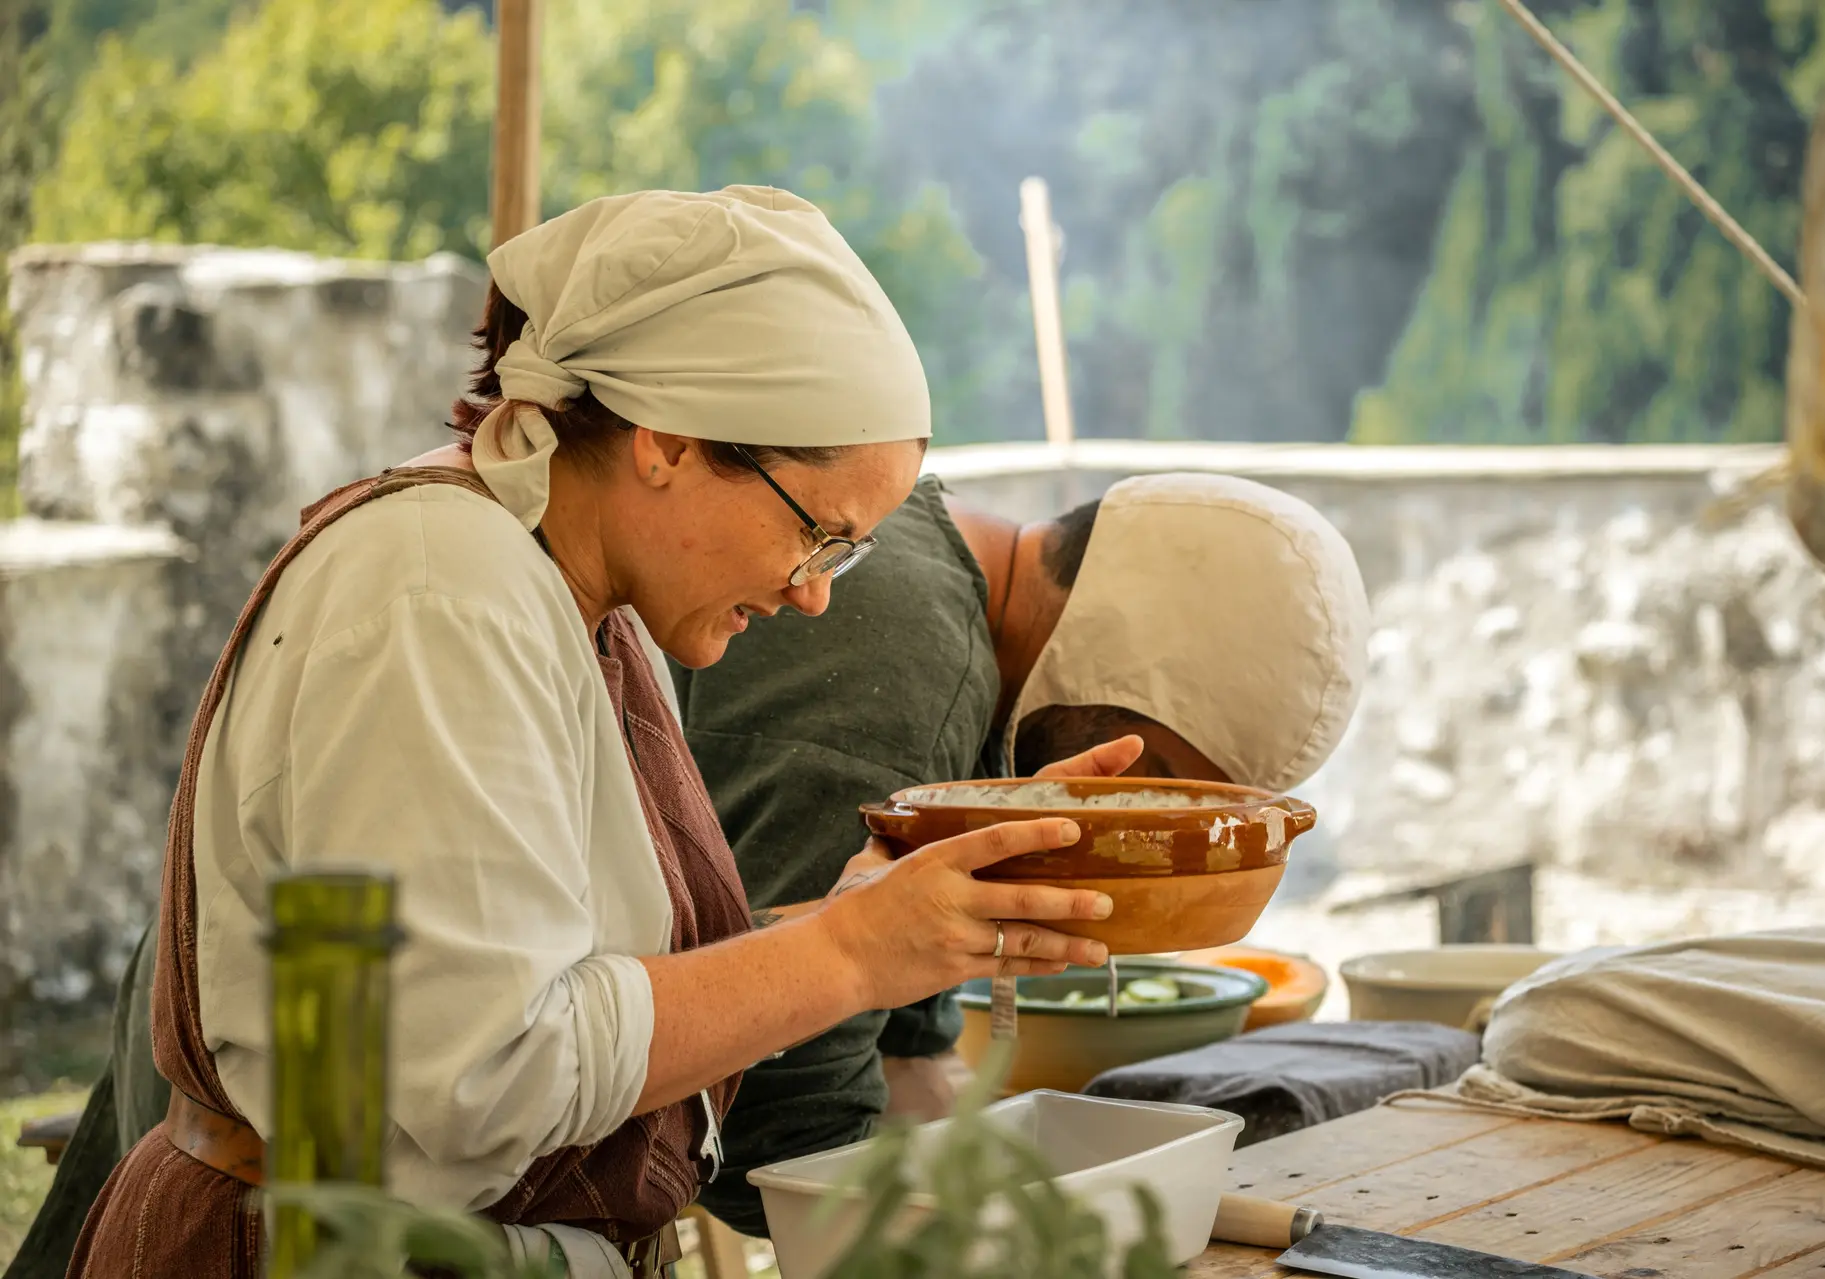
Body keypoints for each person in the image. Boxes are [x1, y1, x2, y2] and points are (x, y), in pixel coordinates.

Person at [56, 186, 1132, 1279]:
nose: (815, 595)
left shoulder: (576, 602)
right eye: (818, 536)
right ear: (668, 441)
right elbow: (485, 1070)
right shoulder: (443, 592)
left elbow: (564, 978)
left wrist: (867, 921)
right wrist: (845, 956)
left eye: (843, 555)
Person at [683, 467, 1372, 1235]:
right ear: (1119, 668)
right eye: (1155, 783)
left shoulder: (937, 571)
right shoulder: (906, 665)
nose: (1138, 812)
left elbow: (894, 1024)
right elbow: (781, 1138)